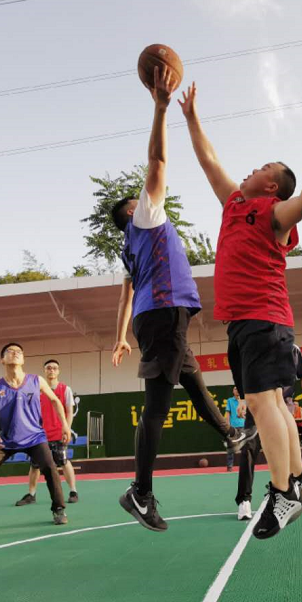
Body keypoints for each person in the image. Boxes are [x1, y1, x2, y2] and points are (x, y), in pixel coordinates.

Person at [183, 85, 302, 539]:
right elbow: (208, 161)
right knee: (272, 402)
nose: (251, 169)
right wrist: (191, 117)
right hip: (245, 323)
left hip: (264, 318)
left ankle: (281, 491)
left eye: (261, 168)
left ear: (271, 186)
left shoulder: (272, 213)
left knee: (261, 403)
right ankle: (301, 478)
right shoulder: (234, 205)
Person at [111, 67, 256, 532]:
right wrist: (160, 109)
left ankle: (231, 435)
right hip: (163, 312)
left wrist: (120, 336)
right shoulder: (146, 217)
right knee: (157, 405)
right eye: (136, 198)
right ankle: (140, 491)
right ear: (132, 210)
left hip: (156, 316)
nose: (144, 195)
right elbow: (157, 162)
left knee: (194, 383)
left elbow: (125, 295)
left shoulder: (132, 247)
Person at [0, 343, 70, 534]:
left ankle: (58, 509)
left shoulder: (36, 380)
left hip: (35, 437)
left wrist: (65, 424)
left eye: (19, 352)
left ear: (23, 359)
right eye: (10, 351)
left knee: (50, 467)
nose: (15, 354)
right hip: (6, 440)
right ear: (2, 360)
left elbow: (55, 400)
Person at [234, 345, 302, 522]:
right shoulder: (254, 344)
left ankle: (290, 490)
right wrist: (243, 399)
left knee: (284, 452)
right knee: (249, 449)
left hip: (283, 406)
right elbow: (245, 374)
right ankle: (244, 500)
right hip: (259, 404)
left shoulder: (292, 349)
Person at [15, 359, 79, 507]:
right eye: (48, 368)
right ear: (44, 371)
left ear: (58, 371)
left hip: (59, 433)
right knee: (35, 465)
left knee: (63, 461)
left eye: (54, 368)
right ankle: (31, 494)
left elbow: (69, 412)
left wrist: (67, 428)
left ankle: (73, 491)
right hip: (39, 435)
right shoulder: (36, 391)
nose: (51, 370)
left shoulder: (65, 389)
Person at [224, 386, 245, 472]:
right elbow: (227, 414)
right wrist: (227, 425)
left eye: (238, 389)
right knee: (231, 447)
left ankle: (245, 466)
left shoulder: (244, 401)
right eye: (235, 389)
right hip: (233, 428)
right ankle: (229, 466)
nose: (237, 391)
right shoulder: (230, 401)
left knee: (245, 448)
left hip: (243, 427)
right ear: (233, 391)